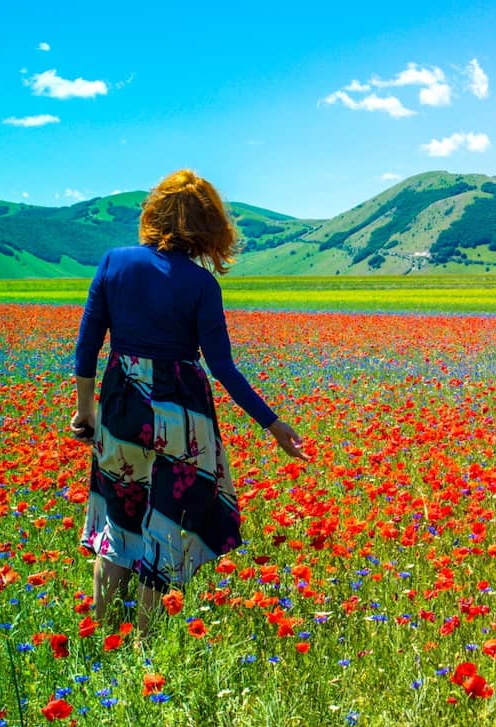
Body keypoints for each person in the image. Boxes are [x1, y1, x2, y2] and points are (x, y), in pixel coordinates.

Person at [70, 169, 306, 633]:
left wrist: (86, 412)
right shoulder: (201, 285)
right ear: (207, 226)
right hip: (182, 419)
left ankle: (104, 637)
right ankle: (144, 645)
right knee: (164, 527)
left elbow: (86, 348)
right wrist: (273, 423)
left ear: (154, 213)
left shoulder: (114, 263)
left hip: (121, 409)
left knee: (119, 523)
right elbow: (223, 368)